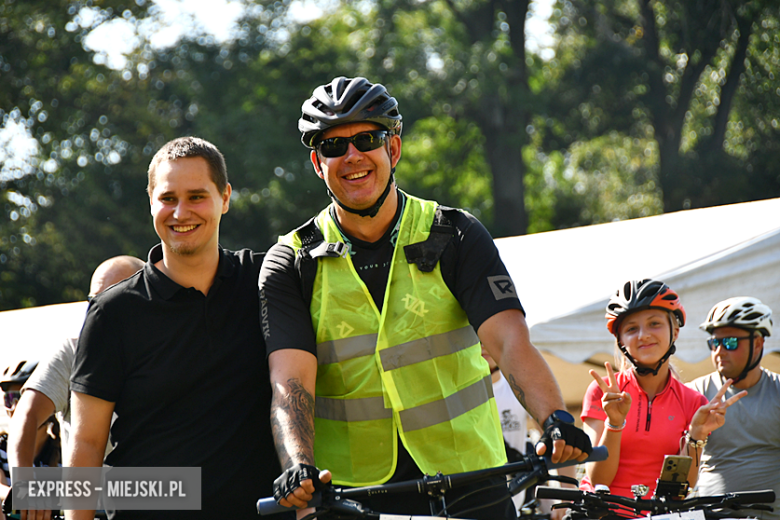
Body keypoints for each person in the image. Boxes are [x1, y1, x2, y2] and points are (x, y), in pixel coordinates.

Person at [259, 76, 592, 520]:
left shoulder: (455, 233)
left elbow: (510, 343)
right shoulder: (291, 260)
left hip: (470, 478)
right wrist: (297, 464)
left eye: (366, 139)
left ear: (392, 149)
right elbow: (291, 383)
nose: (352, 156)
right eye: (334, 147)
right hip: (356, 493)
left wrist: (554, 420)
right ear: (318, 164)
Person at [66, 137, 278, 520]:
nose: (181, 212)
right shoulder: (113, 312)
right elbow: (86, 442)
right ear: (150, 202)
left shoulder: (266, 282)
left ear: (225, 197)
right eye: (167, 198)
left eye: (197, 196)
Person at [580, 279, 745, 499]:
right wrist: (615, 423)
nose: (643, 335)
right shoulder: (603, 392)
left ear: (675, 331)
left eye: (654, 323)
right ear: (620, 341)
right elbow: (598, 481)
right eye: (631, 328)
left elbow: (682, 490)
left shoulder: (693, 402)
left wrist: (697, 435)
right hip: (602, 512)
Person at [8, 256, 143, 520]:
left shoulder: (169, 354)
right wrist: (24, 482)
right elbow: (27, 414)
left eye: (113, 297)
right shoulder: (72, 351)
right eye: (94, 301)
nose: (100, 309)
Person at [688, 297, 780, 520]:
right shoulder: (693, 393)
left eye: (729, 342)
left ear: (758, 343)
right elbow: (678, 474)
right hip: (713, 516)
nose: (719, 351)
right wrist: (695, 434)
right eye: (714, 343)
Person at [1, 361, 62, 511]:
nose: (15, 407)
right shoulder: (1, 448)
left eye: (23, 399)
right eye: (9, 398)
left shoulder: (65, 455)